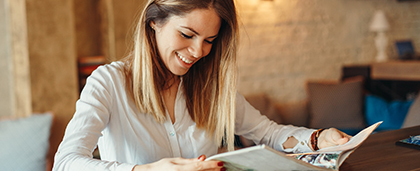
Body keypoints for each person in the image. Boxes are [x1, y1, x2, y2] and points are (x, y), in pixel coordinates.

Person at [53, 0, 351, 170]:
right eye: (187, 35)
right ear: (154, 22)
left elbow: (268, 133)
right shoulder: (109, 82)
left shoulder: (211, 86)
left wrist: (317, 139)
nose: (198, 52)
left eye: (209, 41)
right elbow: (66, 162)